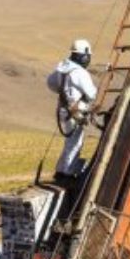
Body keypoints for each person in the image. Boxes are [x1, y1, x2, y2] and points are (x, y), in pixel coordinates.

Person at [46, 38, 98, 178]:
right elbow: (92, 93)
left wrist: (64, 92)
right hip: (76, 112)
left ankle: (61, 170)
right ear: (84, 56)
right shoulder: (80, 72)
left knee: (70, 141)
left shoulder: (61, 68)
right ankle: (67, 172)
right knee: (75, 143)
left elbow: (50, 83)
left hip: (63, 109)